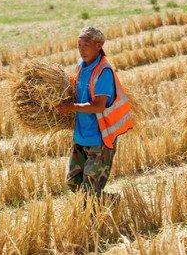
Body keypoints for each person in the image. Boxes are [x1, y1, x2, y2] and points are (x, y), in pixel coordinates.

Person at [57, 26, 133, 197]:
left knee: (90, 191)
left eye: (86, 45)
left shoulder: (104, 72)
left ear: (98, 46)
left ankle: (103, 210)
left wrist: (70, 107)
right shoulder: (80, 66)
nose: (81, 49)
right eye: (79, 45)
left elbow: (99, 106)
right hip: (81, 136)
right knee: (73, 182)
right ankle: (109, 202)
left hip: (100, 139)